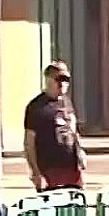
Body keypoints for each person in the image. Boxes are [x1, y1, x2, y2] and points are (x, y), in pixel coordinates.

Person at [23, 61, 85, 191]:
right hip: (49, 170)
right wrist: (36, 172)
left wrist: (80, 155)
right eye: (59, 79)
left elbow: (74, 132)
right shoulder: (36, 107)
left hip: (71, 169)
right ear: (48, 80)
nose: (63, 84)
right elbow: (29, 143)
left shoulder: (67, 102)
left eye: (66, 79)